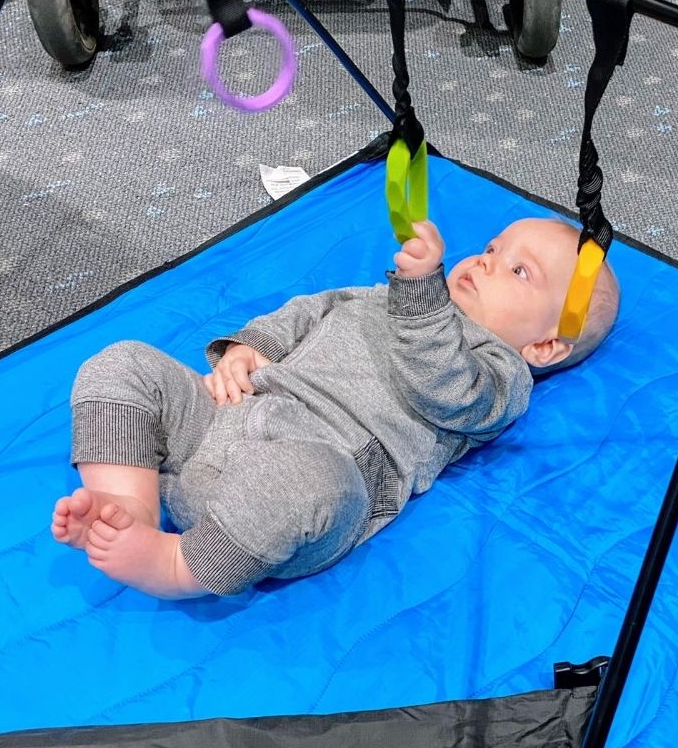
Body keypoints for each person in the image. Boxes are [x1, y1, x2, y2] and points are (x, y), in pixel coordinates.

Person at [50, 217, 620, 599]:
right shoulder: (383, 295)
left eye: (519, 272)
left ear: (544, 345)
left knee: (310, 481)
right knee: (121, 362)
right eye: (494, 248)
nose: (487, 262)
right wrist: (252, 348)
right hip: (232, 412)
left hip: (314, 472)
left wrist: (422, 299)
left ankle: (175, 565)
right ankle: (126, 505)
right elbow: (310, 310)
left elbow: (442, 385)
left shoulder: (500, 375)